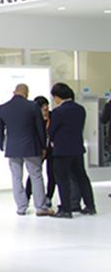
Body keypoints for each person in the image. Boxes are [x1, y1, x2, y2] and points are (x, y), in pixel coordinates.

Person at [0, 83, 52, 216]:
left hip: (13, 148)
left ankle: (21, 207)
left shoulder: (3, 108)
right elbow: (40, 128)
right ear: (26, 93)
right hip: (31, 147)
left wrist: (1, 145)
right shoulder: (33, 106)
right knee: (36, 176)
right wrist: (43, 146)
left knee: (16, 177)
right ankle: (40, 207)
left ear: (14, 92)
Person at [48, 82, 97, 218]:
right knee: (82, 177)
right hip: (77, 148)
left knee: (62, 179)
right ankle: (90, 206)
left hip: (62, 150)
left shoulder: (58, 112)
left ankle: (66, 209)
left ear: (57, 97)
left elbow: (51, 131)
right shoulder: (80, 109)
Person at [24, 96, 56, 207]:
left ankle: (48, 197)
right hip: (39, 149)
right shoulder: (34, 117)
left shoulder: (53, 116)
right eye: (43, 107)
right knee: (34, 173)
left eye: (47, 106)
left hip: (52, 149)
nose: (46, 109)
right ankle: (27, 196)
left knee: (52, 174)